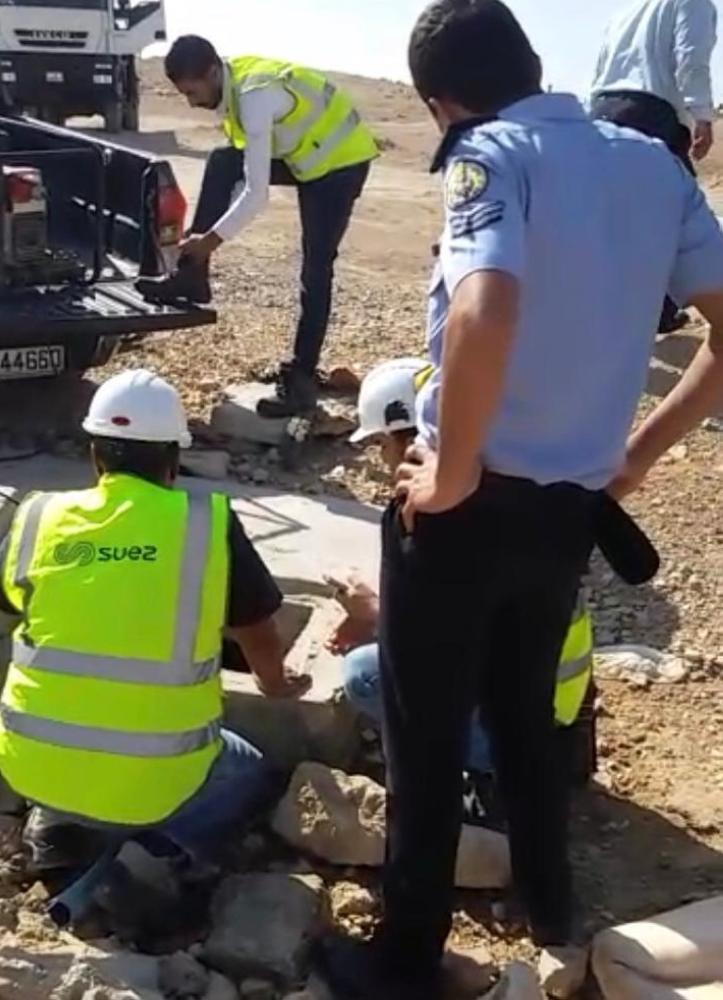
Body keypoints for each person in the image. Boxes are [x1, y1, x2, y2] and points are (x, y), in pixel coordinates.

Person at [316, 2, 723, 998]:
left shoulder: (487, 155)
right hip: (566, 511)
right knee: (526, 716)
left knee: (425, 739)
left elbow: (485, 305)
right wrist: (633, 458)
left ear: (441, 104)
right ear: (535, 63)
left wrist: (451, 471)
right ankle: (549, 906)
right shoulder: (653, 164)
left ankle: (404, 962)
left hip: (464, 509)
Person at [0, 369, 310, 875]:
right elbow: (256, 627)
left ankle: (58, 823)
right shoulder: (205, 523)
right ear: (173, 459)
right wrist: (274, 685)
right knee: (251, 774)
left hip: (30, 766)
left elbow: (15, 604)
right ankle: (153, 855)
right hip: (159, 782)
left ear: (95, 454)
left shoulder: (39, 517)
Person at [329, 357, 596, 797]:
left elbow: (451, 645)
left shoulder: (456, 522)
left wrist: (375, 613)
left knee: (364, 674)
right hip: (551, 709)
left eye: (383, 443)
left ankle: (475, 781)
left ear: (410, 439)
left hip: (524, 733)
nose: (383, 458)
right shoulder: (504, 485)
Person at [137, 36, 379, 418]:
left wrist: (211, 240)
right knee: (222, 162)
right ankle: (192, 277)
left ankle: (301, 382)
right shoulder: (232, 83)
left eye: (192, 92)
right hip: (307, 156)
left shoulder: (254, 96)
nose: (191, 103)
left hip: (339, 164)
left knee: (315, 268)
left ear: (212, 72)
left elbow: (256, 193)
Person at [590, 0, 718, 331]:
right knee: (681, 218)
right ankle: (669, 310)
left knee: (616, 220)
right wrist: (702, 115)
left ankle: (647, 311)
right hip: (650, 115)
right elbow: (691, 58)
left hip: (602, 111)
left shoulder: (625, 13)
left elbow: (600, 69)